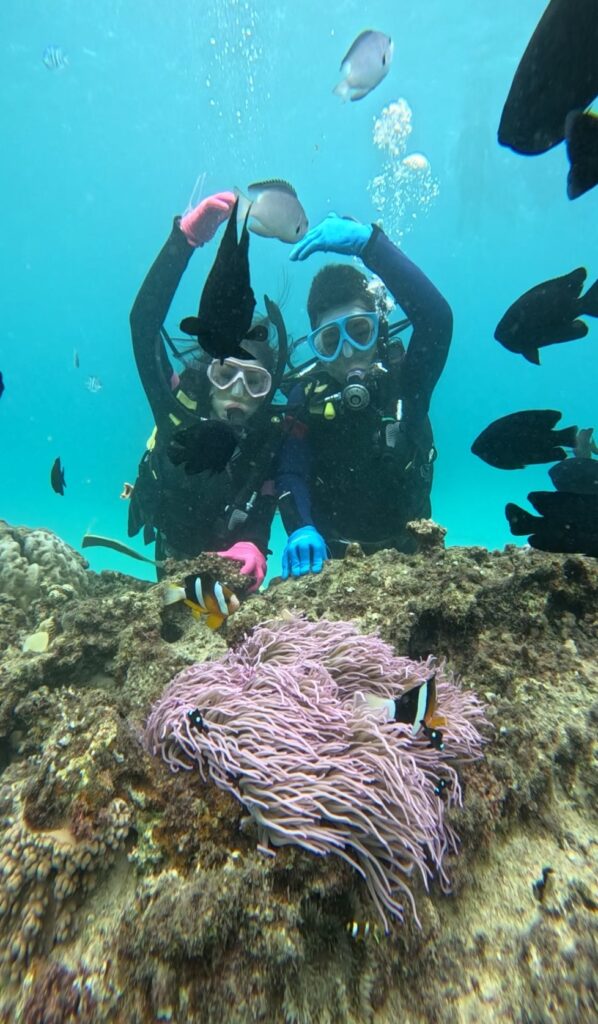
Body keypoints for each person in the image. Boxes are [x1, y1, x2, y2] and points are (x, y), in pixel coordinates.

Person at [276, 213, 453, 577]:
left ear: (379, 328)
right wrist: (300, 528)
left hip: (413, 557)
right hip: (331, 564)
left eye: (359, 331)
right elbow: (291, 471)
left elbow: (437, 317)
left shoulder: (407, 382)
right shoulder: (306, 398)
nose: (347, 352)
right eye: (330, 340)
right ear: (317, 347)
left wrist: (371, 245)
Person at [127, 191, 287, 590]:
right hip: (169, 556)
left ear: (267, 392)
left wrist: (254, 545)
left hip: (231, 578)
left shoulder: (266, 440)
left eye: (254, 382)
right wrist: (183, 242)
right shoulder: (175, 408)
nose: (237, 391)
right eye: (225, 374)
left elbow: (265, 504)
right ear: (207, 373)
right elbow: (142, 325)